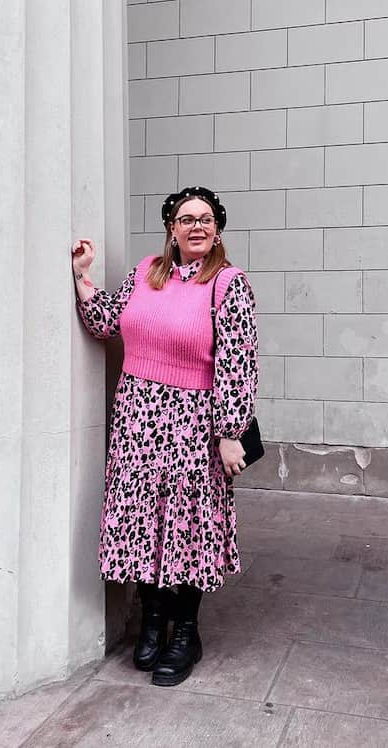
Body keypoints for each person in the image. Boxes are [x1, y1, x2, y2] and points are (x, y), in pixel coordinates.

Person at [71, 186, 258, 687]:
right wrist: (83, 276)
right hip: (137, 420)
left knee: (186, 525)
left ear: (217, 229)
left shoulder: (228, 285)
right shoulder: (144, 273)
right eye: (185, 218)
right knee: (144, 522)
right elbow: (106, 321)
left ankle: (185, 631)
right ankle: (153, 617)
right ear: (171, 229)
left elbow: (237, 364)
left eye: (205, 218)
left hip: (194, 424)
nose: (196, 226)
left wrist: (229, 433)